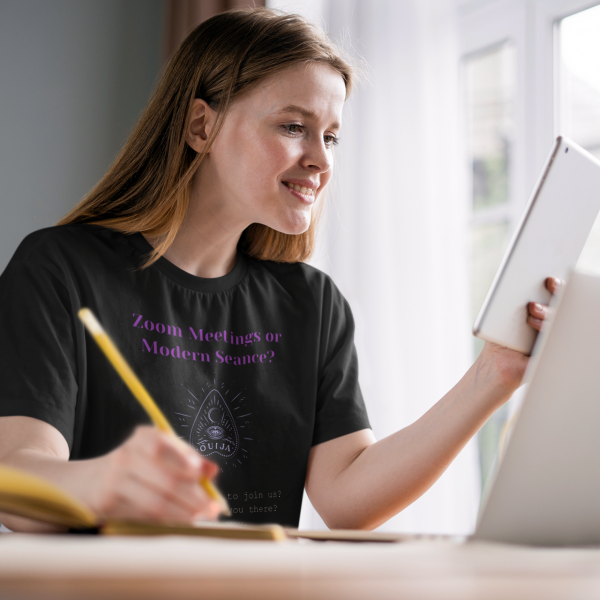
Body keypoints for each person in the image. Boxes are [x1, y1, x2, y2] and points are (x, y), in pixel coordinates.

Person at [0, 8, 557, 533]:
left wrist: (495, 376)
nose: (322, 158)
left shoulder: (313, 304)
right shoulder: (59, 271)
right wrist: (101, 482)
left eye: (331, 135)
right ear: (201, 127)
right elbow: (16, 478)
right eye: (294, 126)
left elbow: (345, 498)